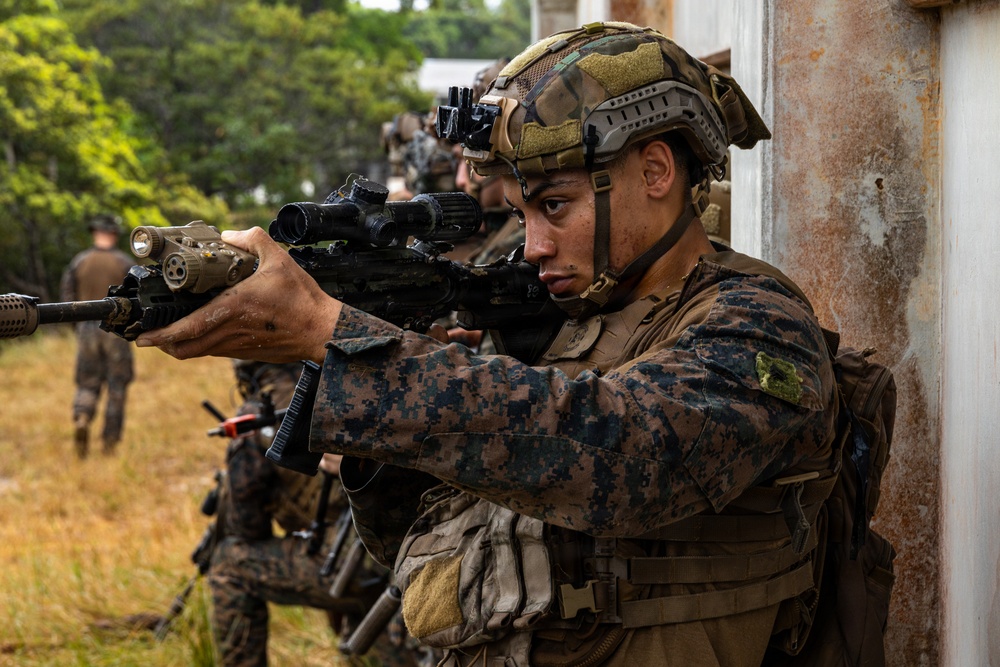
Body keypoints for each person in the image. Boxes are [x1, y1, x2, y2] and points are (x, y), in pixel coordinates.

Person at [137, 22, 840, 667]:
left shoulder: (759, 323)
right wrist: (380, 417)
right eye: (524, 210)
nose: (532, 245)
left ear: (656, 172)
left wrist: (345, 339)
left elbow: (626, 454)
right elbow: (419, 545)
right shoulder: (572, 320)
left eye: (555, 205)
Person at [206, 360, 424, 667]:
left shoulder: (259, 417)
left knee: (229, 565)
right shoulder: (348, 383)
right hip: (403, 552)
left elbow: (246, 526)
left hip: (353, 562)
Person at [60, 213, 134, 458]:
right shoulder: (124, 262)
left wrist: (77, 326)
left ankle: (82, 417)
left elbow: (67, 294)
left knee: (87, 382)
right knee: (117, 386)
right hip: (116, 330)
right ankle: (109, 443)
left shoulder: (79, 261)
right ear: (113, 234)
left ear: (95, 233)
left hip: (86, 329)